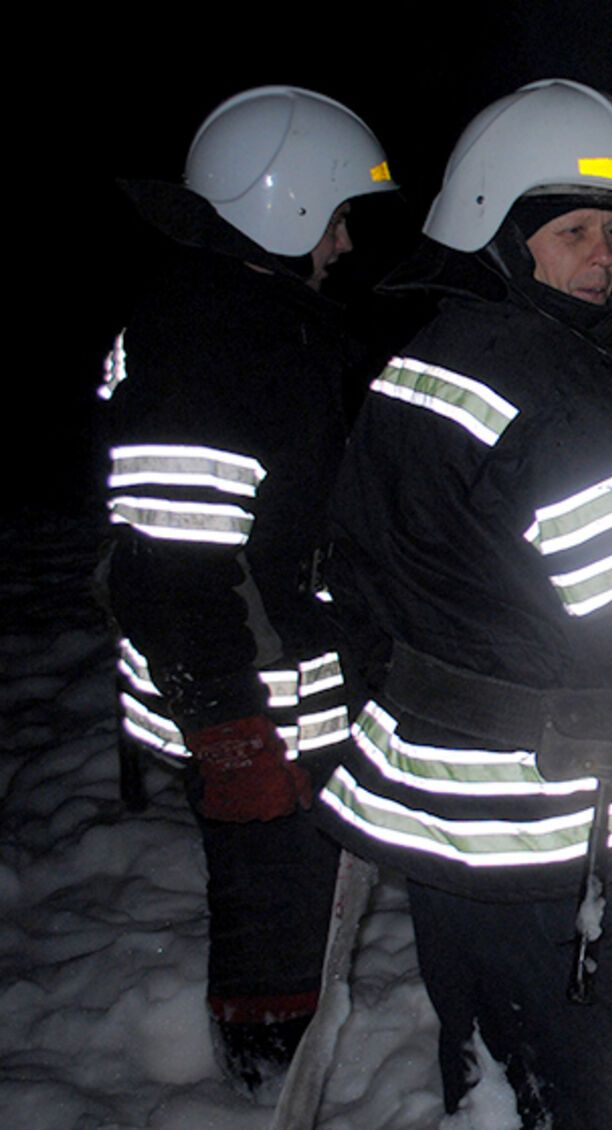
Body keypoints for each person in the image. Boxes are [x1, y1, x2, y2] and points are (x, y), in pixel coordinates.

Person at [314, 79, 612, 1130]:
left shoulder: (413, 363)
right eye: (572, 230)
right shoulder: (562, 391)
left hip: (434, 818)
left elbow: (351, 571)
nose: (602, 255)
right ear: (496, 223)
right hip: (556, 833)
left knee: (496, 1063)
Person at [100, 85, 397, 1094]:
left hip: (280, 681)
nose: (349, 242)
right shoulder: (206, 340)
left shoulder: (261, 315)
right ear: (287, 204)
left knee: (304, 899)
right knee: (275, 917)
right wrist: (228, 731)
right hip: (245, 704)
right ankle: (267, 1080)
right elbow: (175, 562)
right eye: (341, 214)